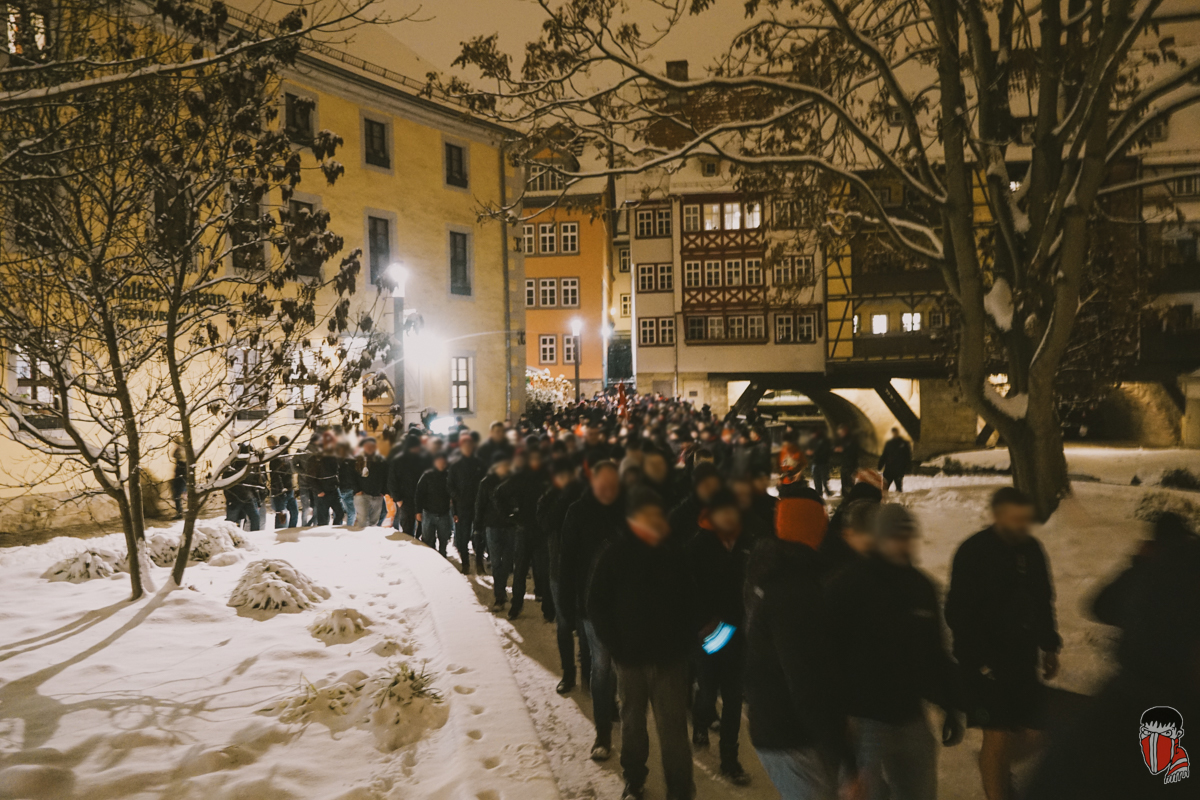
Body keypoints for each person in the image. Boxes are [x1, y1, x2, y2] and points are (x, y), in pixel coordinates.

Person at [826, 504, 963, 800]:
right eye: (894, 537)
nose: (902, 544)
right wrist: (839, 722)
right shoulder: (849, 586)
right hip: (865, 720)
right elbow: (828, 656)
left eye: (907, 536)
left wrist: (949, 704)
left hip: (910, 715)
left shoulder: (921, 587)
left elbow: (933, 652)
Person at [945, 487, 1061, 800]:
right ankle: (996, 779)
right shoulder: (973, 552)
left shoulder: (1031, 550)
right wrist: (980, 660)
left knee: (1035, 731)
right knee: (997, 735)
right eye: (1014, 519)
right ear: (997, 516)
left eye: (1025, 519)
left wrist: (1049, 645)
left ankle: (992, 765)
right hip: (983, 663)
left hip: (1021, 658)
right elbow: (958, 612)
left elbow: (1042, 599)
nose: (1021, 526)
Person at [588, 488, 695, 800]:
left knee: (673, 730)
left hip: (669, 660)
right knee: (632, 724)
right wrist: (615, 645)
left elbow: (691, 602)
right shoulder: (614, 554)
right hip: (630, 659)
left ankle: (680, 789)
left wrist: (683, 645)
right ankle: (634, 779)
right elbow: (597, 603)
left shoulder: (674, 553)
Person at [744, 463, 839, 799]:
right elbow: (803, 676)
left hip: (775, 719)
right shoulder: (793, 588)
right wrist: (838, 745)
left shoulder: (770, 566)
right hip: (787, 729)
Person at [559, 460, 625, 761]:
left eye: (613, 483)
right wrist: (567, 605)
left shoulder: (627, 510)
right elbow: (568, 561)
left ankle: (616, 710)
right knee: (601, 667)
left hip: (625, 603)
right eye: (603, 483)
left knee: (622, 667)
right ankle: (603, 733)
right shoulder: (578, 511)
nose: (608, 489)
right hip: (591, 605)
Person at [688, 488, 754, 786]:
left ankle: (730, 759)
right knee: (707, 691)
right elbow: (688, 590)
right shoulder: (698, 545)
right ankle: (700, 721)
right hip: (710, 632)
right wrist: (702, 623)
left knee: (732, 697)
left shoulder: (748, 543)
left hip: (738, 632)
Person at [538, 456, 589, 693]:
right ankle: (569, 673)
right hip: (559, 570)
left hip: (583, 569)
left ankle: (587, 673)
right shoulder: (550, 498)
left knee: (585, 624)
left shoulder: (584, 495)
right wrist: (562, 496)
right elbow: (546, 523)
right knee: (564, 623)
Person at [497, 447, 552, 621]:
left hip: (541, 531)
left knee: (544, 571)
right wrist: (509, 516)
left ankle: (548, 609)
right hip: (524, 530)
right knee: (520, 571)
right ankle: (516, 606)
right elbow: (499, 493)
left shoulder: (547, 478)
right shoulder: (520, 478)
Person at [476, 453, 514, 608]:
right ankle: (499, 595)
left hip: (510, 526)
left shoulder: (512, 481)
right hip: (492, 527)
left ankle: (501, 590)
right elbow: (480, 506)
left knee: (508, 563)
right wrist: (477, 527)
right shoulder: (486, 483)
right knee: (496, 562)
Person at [448, 432, 487, 574]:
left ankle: (479, 563)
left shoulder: (480, 464)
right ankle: (465, 564)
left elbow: (486, 483)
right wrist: (457, 499)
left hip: (478, 506)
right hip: (462, 507)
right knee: (462, 538)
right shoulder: (455, 464)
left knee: (479, 537)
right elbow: (450, 485)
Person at [668, 462, 722, 549]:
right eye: (706, 485)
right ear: (696, 487)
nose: (712, 490)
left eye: (715, 485)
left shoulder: (722, 510)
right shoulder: (679, 515)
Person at [415, 451, 453, 556]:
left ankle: (442, 557)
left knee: (444, 538)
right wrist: (418, 511)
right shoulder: (427, 475)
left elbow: (453, 493)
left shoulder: (449, 476)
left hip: (444, 513)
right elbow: (419, 494)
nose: (442, 464)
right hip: (428, 513)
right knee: (428, 539)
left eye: (443, 461)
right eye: (439, 461)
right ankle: (431, 558)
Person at [387, 434, 425, 536]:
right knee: (407, 528)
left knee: (421, 528)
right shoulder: (398, 460)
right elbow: (392, 481)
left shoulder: (421, 459)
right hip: (405, 500)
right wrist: (398, 499)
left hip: (420, 499)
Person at [223, 444, 262, 531]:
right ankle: (233, 537)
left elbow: (254, 483)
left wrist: (257, 499)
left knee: (255, 517)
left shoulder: (251, 465)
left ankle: (255, 536)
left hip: (247, 497)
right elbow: (226, 483)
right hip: (235, 498)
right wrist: (229, 498)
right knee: (232, 523)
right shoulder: (231, 464)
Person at [353, 436, 388, 527]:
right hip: (362, 495)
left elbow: (386, 476)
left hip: (377, 495)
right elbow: (351, 475)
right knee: (363, 521)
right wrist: (357, 490)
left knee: (373, 522)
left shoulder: (381, 460)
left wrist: (383, 491)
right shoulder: (358, 459)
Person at [268, 435, 298, 528]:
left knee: (294, 513)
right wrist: (281, 489)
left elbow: (290, 473)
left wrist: (294, 487)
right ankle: (280, 532)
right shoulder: (277, 457)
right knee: (281, 516)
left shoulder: (287, 456)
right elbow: (276, 476)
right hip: (281, 492)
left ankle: (291, 531)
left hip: (290, 489)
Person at [878, 427, 913, 492]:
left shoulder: (904, 443)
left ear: (898, 433)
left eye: (896, 433)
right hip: (889, 468)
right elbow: (884, 455)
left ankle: (898, 497)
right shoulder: (889, 443)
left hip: (898, 469)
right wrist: (880, 465)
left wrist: (908, 467)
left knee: (898, 487)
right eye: (894, 433)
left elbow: (907, 456)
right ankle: (884, 497)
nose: (895, 434)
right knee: (885, 487)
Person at [832, 424, 860, 496]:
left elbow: (852, 451)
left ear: (845, 430)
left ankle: (850, 496)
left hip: (850, 465)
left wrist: (842, 449)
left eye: (841, 433)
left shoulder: (851, 439)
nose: (840, 434)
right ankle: (845, 494)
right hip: (845, 464)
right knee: (844, 481)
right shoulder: (843, 440)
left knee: (849, 482)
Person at [336, 440, 358, 526]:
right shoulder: (351, 461)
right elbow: (352, 475)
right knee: (351, 513)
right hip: (348, 488)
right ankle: (348, 529)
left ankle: (338, 527)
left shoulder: (336, 460)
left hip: (338, 488)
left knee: (339, 512)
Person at [806, 427, 833, 497]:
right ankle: (819, 493)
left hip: (823, 463)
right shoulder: (812, 441)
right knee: (816, 479)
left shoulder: (824, 441)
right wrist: (809, 453)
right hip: (815, 463)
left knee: (824, 480)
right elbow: (809, 450)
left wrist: (814, 452)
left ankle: (827, 491)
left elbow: (826, 452)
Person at [170, 436, 186, 520]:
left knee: (177, 495)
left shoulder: (181, 450)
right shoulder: (184, 449)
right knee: (178, 495)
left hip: (181, 476)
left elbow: (175, 455)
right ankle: (180, 511)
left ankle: (180, 512)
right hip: (182, 476)